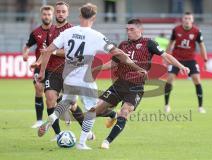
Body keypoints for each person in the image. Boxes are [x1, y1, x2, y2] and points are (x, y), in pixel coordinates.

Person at [36, 3, 147, 150]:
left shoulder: (68, 32)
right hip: (85, 79)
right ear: (94, 17)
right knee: (93, 110)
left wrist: (42, 72)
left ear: (80, 16)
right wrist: (138, 68)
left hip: (68, 77)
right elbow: (119, 54)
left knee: (68, 101)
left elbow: (47, 51)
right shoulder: (97, 36)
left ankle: (53, 117)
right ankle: (81, 143)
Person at [90, 18, 189, 149]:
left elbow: (166, 56)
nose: (129, 32)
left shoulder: (149, 43)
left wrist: (181, 66)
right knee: (96, 111)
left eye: (132, 29)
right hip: (119, 84)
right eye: (127, 30)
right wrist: (96, 69)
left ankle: (107, 141)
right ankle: (112, 115)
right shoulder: (123, 45)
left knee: (125, 111)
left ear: (140, 30)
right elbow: (113, 63)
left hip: (135, 86)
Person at [32, 1, 89, 141]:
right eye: (58, 11)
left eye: (63, 11)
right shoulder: (49, 31)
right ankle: (58, 134)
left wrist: (54, 50)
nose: (60, 14)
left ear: (67, 13)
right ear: (55, 13)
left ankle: (86, 131)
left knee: (72, 105)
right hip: (52, 71)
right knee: (50, 99)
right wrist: (42, 70)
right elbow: (46, 52)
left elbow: (72, 53)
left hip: (70, 72)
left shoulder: (73, 31)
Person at [164, 12, 208, 113]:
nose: (187, 20)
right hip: (176, 59)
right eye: (185, 18)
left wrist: (205, 60)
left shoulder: (197, 31)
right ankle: (166, 105)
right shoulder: (176, 30)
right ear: (182, 19)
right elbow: (170, 44)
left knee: (197, 79)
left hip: (190, 59)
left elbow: (202, 46)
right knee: (170, 79)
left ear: (192, 20)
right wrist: (166, 57)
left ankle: (200, 107)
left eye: (189, 18)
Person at [22, 5, 55, 129]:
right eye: (45, 14)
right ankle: (39, 120)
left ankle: (56, 117)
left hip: (54, 66)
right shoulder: (36, 32)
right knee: (38, 88)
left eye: (49, 14)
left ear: (52, 16)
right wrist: (25, 53)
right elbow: (27, 46)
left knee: (52, 95)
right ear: (41, 16)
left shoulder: (56, 31)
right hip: (39, 65)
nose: (46, 17)